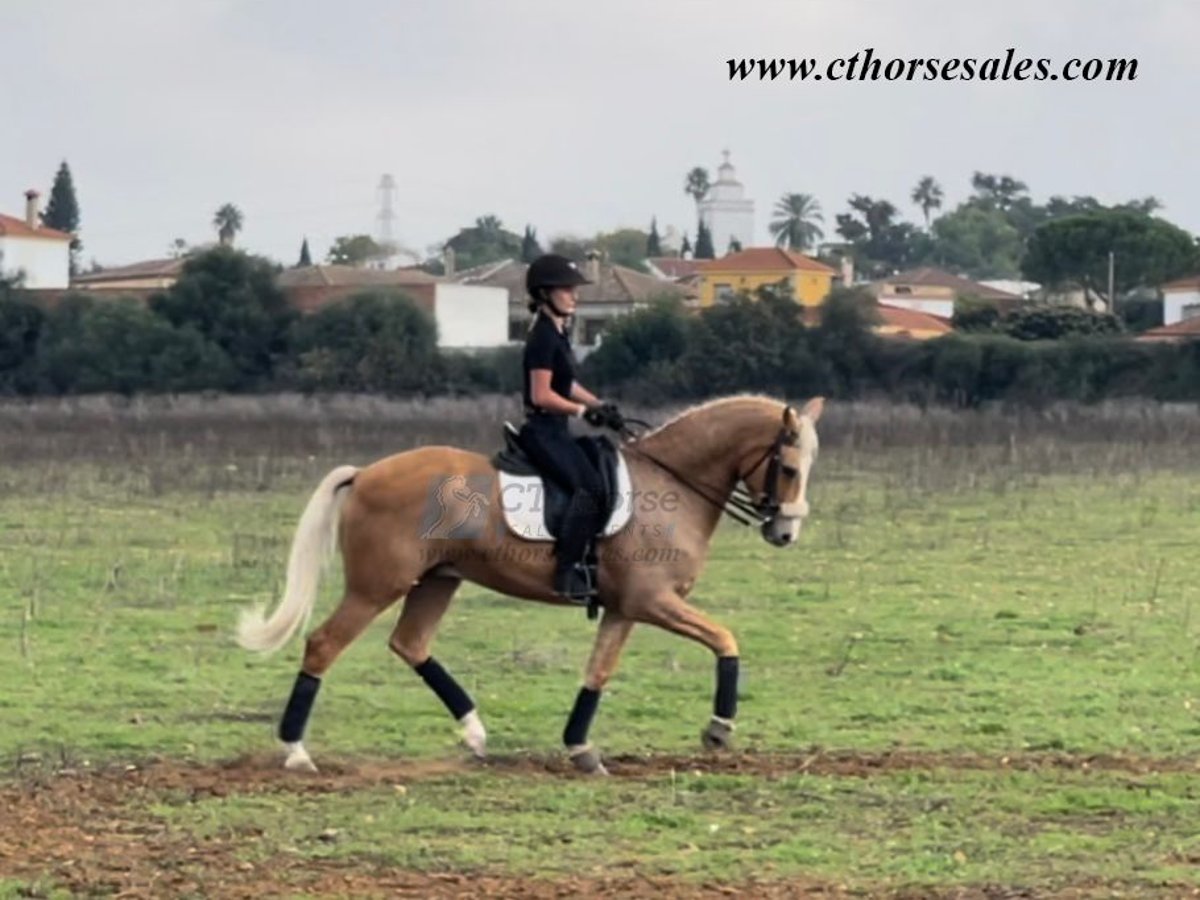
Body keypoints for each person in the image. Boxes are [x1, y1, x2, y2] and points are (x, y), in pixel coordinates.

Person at [519, 254, 621, 602]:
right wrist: (582, 411)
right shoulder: (543, 338)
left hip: (558, 429)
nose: (574, 296)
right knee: (590, 489)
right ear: (545, 293)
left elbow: (568, 384)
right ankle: (566, 571)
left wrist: (600, 406)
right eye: (567, 290)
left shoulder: (558, 334)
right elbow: (542, 394)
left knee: (601, 462)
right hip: (543, 431)